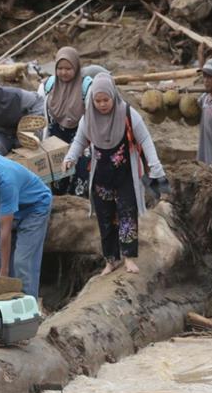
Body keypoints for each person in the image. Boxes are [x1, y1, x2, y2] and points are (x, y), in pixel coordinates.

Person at [63, 74, 167, 276]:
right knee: (105, 218)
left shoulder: (127, 113)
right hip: (101, 178)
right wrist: (70, 157)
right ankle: (111, 260)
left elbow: (145, 140)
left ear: (113, 96)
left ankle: (128, 257)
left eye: (105, 100)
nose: (102, 105)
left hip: (125, 175)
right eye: (98, 101)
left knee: (127, 215)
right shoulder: (88, 118)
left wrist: (155, 166)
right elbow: (79, 141)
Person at [0, 152, 53, 299]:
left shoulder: (5, 180)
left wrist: (4, 272)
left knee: (22, 263)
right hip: (6, 201)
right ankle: (2, 310)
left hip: (34, 205)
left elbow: (5, 232)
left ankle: (27, 311)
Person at [41, 47, 94, 196]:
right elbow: (43, 116)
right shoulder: (48, 86)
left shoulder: (87, 88)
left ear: (76, 68)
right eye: (60, 68)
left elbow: (91, 118)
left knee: (80, 174)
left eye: (68, 68)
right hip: (56, 138)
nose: (63, 72)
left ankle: (78, 206)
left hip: (81, 138)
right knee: (58, 178)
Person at [0, 72, 45, 155]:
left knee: (32, 142)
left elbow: (38, 101)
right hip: (0, 135)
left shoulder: (14, 96)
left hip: (23, 132)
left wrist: (34, 125)